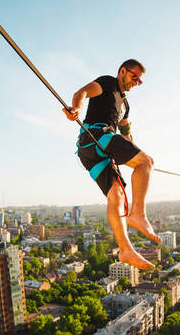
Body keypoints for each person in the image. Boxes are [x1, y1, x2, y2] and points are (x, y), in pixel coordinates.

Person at [63, 59, 160, 270]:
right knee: (147, 162)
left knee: (115, 195)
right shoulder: (108, 83)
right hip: (97, 136)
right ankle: (138, 214)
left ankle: (125, 249)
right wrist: (76, 109)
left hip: (90, 152)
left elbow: (125, 133)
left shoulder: (125, 107)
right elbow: (82, 93)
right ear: (122, 71)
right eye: (134, 76)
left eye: (140, 80)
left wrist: (132, 152)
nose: (137, 82)